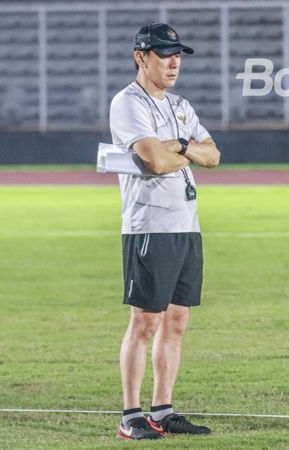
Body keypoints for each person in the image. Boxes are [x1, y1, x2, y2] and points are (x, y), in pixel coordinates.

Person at [109, 22, 221, 440]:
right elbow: (153, 161)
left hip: (186, 226)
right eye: (163, 53)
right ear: (141, 57)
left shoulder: (179, 105)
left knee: (176, 322)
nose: (174, 61)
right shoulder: (127, 103)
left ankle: (164, 409)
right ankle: (131, 415)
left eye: (177, 54)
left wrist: (176, 146)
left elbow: (213, 155)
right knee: (145, 322)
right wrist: (180, 149)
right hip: (149, 226)